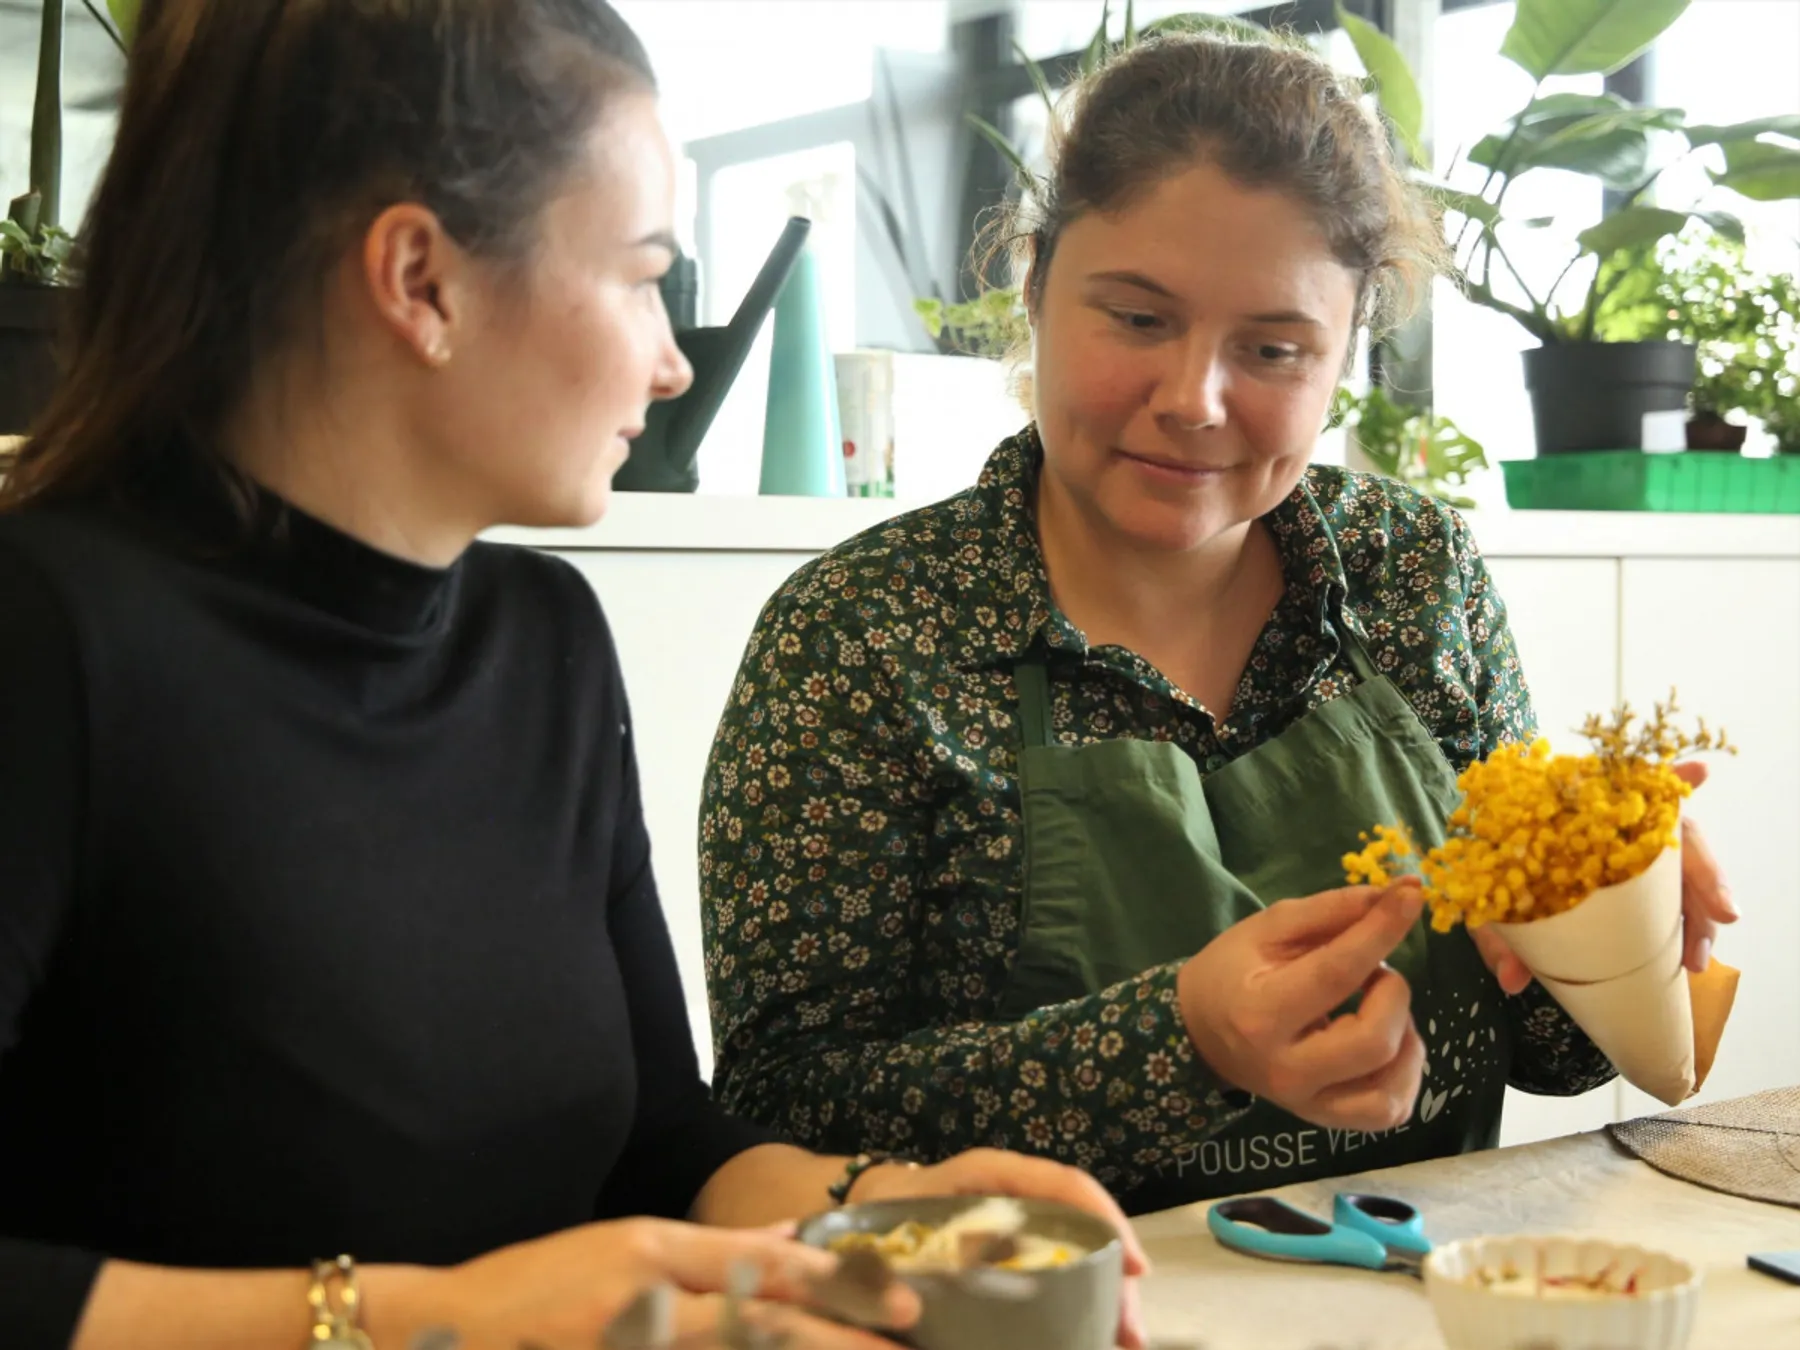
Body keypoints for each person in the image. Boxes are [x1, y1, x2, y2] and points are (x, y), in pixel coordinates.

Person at [0, 4, 1150, 1349]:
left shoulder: (545, 638)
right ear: (421, 279)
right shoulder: (46, 635)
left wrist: (890, 1208)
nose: (671, 363)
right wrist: (426, 1316)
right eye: (643, 274)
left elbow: (659, 1141)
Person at [700, 30, 1736, 1217]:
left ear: (1346, 355)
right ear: (1035, 287)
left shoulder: (1413, 574)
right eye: (1137, 320)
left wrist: (1615, 917)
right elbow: (772, 1119)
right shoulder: (865, 636)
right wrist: (1177, 1041)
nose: (1193, 400)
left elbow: (1557, 1054)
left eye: (1273, 349)